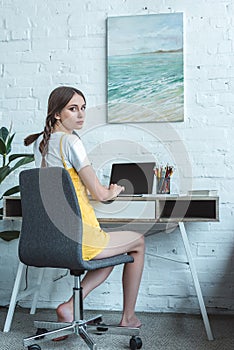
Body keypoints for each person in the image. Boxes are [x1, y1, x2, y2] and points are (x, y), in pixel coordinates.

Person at [24, 86, 145, 331]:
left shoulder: (39, 143)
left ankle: (70, 306)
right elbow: (100, 194)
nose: (80, 115)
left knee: (111, 253)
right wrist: (114, 190)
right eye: (73, 109)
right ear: (57, 114)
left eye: (83, 108)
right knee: (138, 242)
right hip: (77, 234)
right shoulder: (71, 142)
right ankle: (128, 317)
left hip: (48, 239)